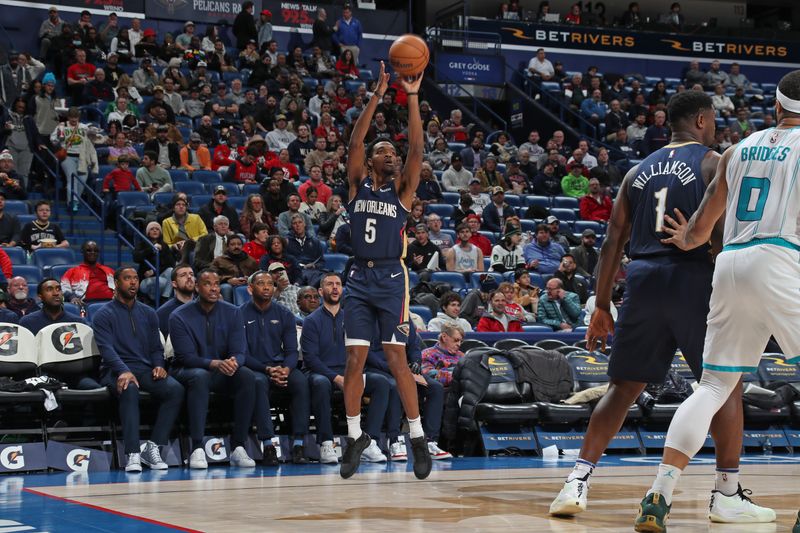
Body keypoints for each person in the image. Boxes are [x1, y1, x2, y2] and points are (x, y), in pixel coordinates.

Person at [548, 91, 768, 525]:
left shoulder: (636, 171)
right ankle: (726, 492)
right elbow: (724, 233)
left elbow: (612, 240)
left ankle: (576, 480)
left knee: (623, 387)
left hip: (642, 279)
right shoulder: (713, 161)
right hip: (693, 279)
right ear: (703, 119)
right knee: (724, 385)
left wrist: (602, 305)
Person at [632, 78, 800, 529]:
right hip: (783, 258)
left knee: (712, 386)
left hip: (731, 264)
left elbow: (701, 231)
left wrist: (683, 236)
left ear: (777, 103)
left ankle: (657, 495)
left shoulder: (737, 149)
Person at [338, 61, 431, 479]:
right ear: (372, 160)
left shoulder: (404, 191)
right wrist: (377, 95)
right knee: (354, 361)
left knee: (397, 360)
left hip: (392, 279)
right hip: (359, 278)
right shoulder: (357, 184)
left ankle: (416, 437)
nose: (389, 155)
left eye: (392, 152)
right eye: (383, 151)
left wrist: (411, 96)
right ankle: (355, 436)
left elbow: (416, 148)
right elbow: (355, 142)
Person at [93, 267, 184, 472]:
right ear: (116, 283)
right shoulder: (103, 314)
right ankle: (132, 453)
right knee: (129, 387)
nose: (133, 282)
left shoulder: (149, 313)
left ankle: (152, 448)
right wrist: (123, 370)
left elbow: (155, 347)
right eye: (127, 279)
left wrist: (159, 365)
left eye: (135, 278)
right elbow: (106, 349)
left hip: (144, 369)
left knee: (175, 390)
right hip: (114, 370)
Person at [169, 269, 257, 469]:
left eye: (217, 283)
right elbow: (185, 357)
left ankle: (238, 446)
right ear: (198, 288)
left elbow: (240, 350)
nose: (214, 288)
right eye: (208, 284)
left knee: (246, 376)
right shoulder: (179, 316)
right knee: (199, 376)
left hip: (220, 371)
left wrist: (234, 361)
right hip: (187, 370)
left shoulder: (233, 312)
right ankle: (197, 447)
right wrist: (216, 363)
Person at [303, 272, 392, 464]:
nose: (335, 287)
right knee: (319, 384)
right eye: (329, 284)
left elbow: (361, 352)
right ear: (320, 291)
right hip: (323, 374)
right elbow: (310, 359)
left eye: (338, 284)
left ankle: (369, 442)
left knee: (381, 383)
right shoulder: (311, 321)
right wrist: (336, 378)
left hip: (350, 373)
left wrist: (353, 375)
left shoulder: (353, 319)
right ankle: (326, 442)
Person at [239, 270, 305, 465]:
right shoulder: (238, 314)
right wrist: (267, 370)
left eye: (270, 283)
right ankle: (268, 445)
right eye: (261, 283)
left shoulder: (284, 314)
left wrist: (286, 369)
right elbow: (241, 353)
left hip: (280, 367)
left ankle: (299, 444)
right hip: (256, 369)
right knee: (257, 383)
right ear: (250, 289)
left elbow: (292, 350)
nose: (267, 287)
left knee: (301, 381)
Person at [368, 320, 450, 461]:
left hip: (403, 369)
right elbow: (366, 353)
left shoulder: (404, 316)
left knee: (435, 388)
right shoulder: (370, 314)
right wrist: (392, 368)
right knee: (395, 386)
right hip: (378, 368)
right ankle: (394, 440)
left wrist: (416, 363)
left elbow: (414, 346)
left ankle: (430, 441)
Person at [60, 241, 114, 306]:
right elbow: (64, 287)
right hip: (85, 303)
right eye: (89, 250)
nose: (92, 253)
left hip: (111, 302)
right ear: (82, 252)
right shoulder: (72, 271)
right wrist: (72, 297)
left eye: (95, 251)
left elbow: (119, 285)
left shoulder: (109, 270)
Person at [156, 264, 195, 336]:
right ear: (174, 284)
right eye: (183, 275)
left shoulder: (204, 306)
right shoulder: (163, 313)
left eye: (191, 274)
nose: (189, 277)